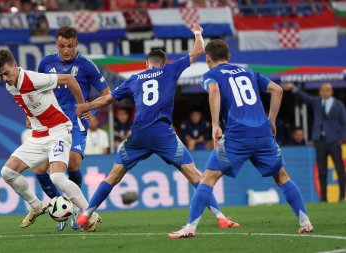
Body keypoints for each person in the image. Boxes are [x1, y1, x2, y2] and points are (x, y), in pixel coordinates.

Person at [75, 24, 239, 230]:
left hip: (139, 135)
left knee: (114, 175)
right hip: (163, 133)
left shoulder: (135, 78)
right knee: (195, 175)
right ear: (164, 63)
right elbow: (198, 50)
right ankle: (220, 217)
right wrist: (197, 32)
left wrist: (86, 106)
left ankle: (85, 214)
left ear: (147, 64)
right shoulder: (170, 69)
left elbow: (107, 99)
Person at [168, 39, 313, 239]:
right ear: (229, 56)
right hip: (263, 134)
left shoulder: (210, 75)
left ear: (208, 59)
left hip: (237, 135)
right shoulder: (249, 72)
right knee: (282, 177)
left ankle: (190, 228)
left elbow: (215, 90)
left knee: (208, 178)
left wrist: (216, 124)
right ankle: (305, 223)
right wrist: (271, 121)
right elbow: (277, 90)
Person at [0, 49, 100, 231]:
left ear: (15, 66)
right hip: (38, 136)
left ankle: (89, 214)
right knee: (7, 172)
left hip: (59, 131)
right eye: (1, 75)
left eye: (7, 73)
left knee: (56, 176)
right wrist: (29, 116)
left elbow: (69, 79)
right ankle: (35, 206)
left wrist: (82, 105)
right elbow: (28, 102)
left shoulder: (34, 79)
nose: (5, 78)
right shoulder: (10, 86)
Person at [33, 26, 110, 231]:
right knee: (40, 169)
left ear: (76, 43)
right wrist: (30, 115)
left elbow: (106, 93)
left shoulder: (86, 65)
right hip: (51, 121)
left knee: (74, 163)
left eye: (69, 46)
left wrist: (89, 106)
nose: (65, 50)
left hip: (75, 121)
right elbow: (35, 91)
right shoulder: (46, 62)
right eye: (61, 46)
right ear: (56, 44)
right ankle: (63, 208)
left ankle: (77, 211)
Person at [283, 82, 346, 202]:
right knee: (321, 171)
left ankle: (342, 196)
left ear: (331, 91)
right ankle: (323, 198)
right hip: (319, 141)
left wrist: (341, 139)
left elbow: (344, 123)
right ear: (320, 92)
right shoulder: (317, 102)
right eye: (322, 90)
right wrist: (294, 88)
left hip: (334, 141)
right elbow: (305, 97)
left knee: (340, 169)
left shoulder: (338, 105)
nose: (325, 92)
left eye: (327, 89)